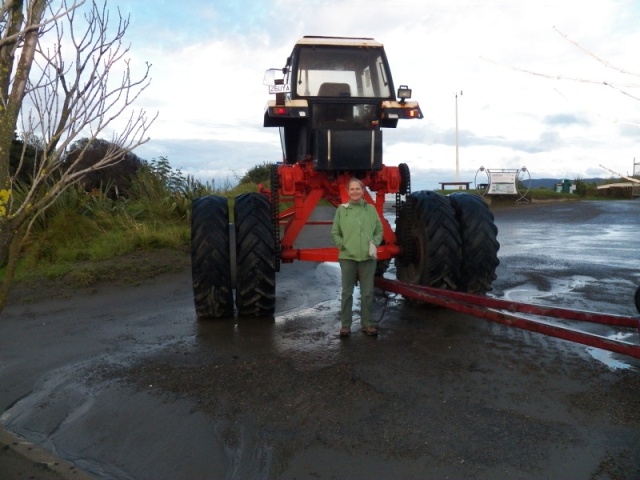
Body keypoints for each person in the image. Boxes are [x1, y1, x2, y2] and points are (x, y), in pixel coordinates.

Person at [331, 178, 383, 337]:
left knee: (367, 292)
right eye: (352, 189)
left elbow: (379, 230)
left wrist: (375, 243)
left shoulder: (371, 210)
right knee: (347, 292)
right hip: (347, 257)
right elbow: (335, 232)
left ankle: (367, 324)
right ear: (348, 192)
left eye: (358, 189)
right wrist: (342, 245)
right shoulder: (341, 210)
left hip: (368, 257)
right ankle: (345, 325)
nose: (355, 192)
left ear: (363, 191)